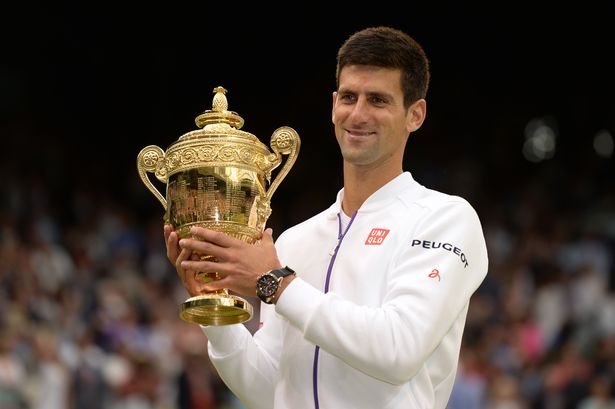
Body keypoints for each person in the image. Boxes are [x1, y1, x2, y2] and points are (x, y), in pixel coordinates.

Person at [164, 26, 489, 409]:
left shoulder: (445, 218)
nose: (358, 113)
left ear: (415, 115)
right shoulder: (295, 242)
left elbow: (398, 349)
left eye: (379, 100)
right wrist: (213, 308)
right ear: (333, 103)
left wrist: (276, 283)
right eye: (349, 97)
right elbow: (269, 390)